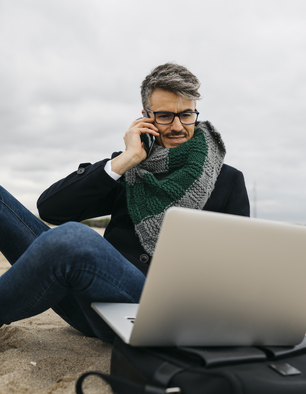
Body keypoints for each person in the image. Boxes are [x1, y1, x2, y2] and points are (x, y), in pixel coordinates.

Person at [0, 63, 250, 342]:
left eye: (186, 114)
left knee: (73, 238)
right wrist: (123, 161)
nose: (178, 126)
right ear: (146, 117)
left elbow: (236, 272)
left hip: (149, 314)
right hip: (84, 303)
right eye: (165, 116)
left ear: (195, 113)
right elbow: (51, 210)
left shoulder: (228, 181)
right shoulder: (130, 166)